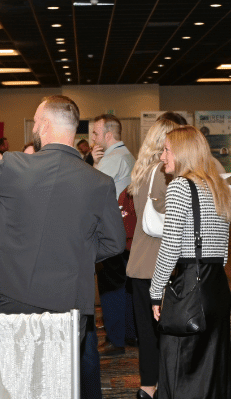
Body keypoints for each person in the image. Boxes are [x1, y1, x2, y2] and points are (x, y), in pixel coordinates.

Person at [0, 95, 125, 399]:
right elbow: (115, 242)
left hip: (15, 293)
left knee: (21, 380)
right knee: (63, 379)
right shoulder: (99, 181)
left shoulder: (14, 165)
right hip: (70, 299)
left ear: (43, 125)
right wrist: (74, 255)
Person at [150, 126, 231, 399]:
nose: (163, 157)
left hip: (190, 283)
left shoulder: (179, 187)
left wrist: (155, 291)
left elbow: (171, 246)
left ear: (182, 153)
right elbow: (223, 249)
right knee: (211, 365)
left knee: (179, 365)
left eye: (166, 150)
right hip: (217, 286)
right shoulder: (218, 186)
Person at [125, 118, 178, 399]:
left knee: (148, 335)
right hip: (162, 265)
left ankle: (148, 387)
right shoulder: (165, 175)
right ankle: (163, 389)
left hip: (139, 264)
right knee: (168, 334)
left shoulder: (142, 172)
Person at [89, 113, 137, 356]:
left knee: (110, 287)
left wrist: (93, 164)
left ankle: (115, 339)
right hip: (125, 233)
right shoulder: (127, 155)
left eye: (96, 134)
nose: (93, 139)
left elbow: (91, 192)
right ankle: (127, 333)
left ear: (108, 135)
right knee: (125, 285)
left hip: (109, 232)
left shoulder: (113, 158)